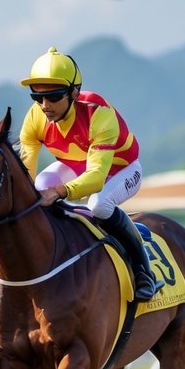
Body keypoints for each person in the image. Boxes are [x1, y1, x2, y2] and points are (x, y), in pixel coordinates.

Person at [18, 46, 162, 301]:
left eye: (53, 97)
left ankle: (143, 271)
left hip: (122, 169)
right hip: (79, 166)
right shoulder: (35, 118)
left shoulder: (99, 113)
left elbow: (96, 178)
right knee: (39, 185)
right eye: (37, 97)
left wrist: (61, 191)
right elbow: (25, 173)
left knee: (99, 204)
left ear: (74, 92)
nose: (44, 105)